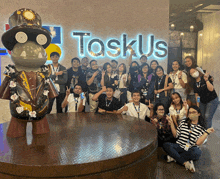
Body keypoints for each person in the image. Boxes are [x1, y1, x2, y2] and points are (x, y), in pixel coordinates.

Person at [163, 106, 215, 173]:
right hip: (179, 146)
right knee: (166, 145)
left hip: (190, 149)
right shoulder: (183, 122)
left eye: (194, 112)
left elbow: (198, 143)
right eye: (190, 112)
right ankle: (185, 163)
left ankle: (173, 157)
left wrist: (206, 133)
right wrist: (172, 124)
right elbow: (176, 135)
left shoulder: (202, 128)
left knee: (197, 152)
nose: (191, 114)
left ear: (199, 114)